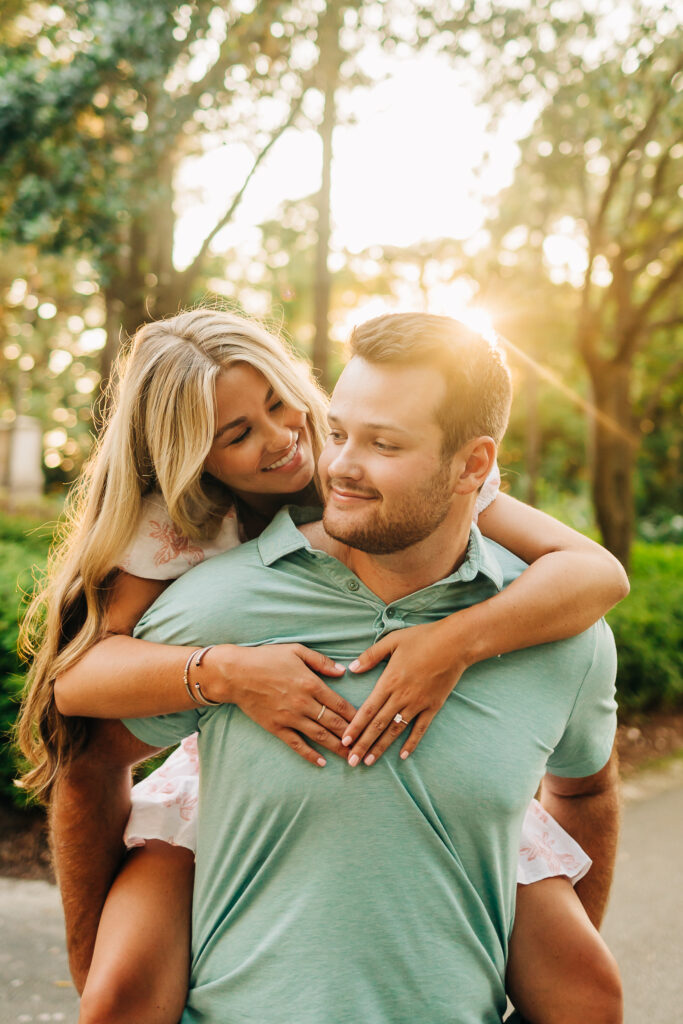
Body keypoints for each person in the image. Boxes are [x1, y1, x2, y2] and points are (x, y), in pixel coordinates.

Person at [18, 310, 624, 1023]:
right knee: (118, 998)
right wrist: (225, 674)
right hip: (222, 731)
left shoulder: (409, 471)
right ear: (193, 457)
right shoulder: (176, 537)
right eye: (238, 434)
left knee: (591, 995)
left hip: (457, 806)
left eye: (284, 407)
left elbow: (594, 573)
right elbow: (77, 687)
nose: (294, 446)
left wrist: (454, 641)